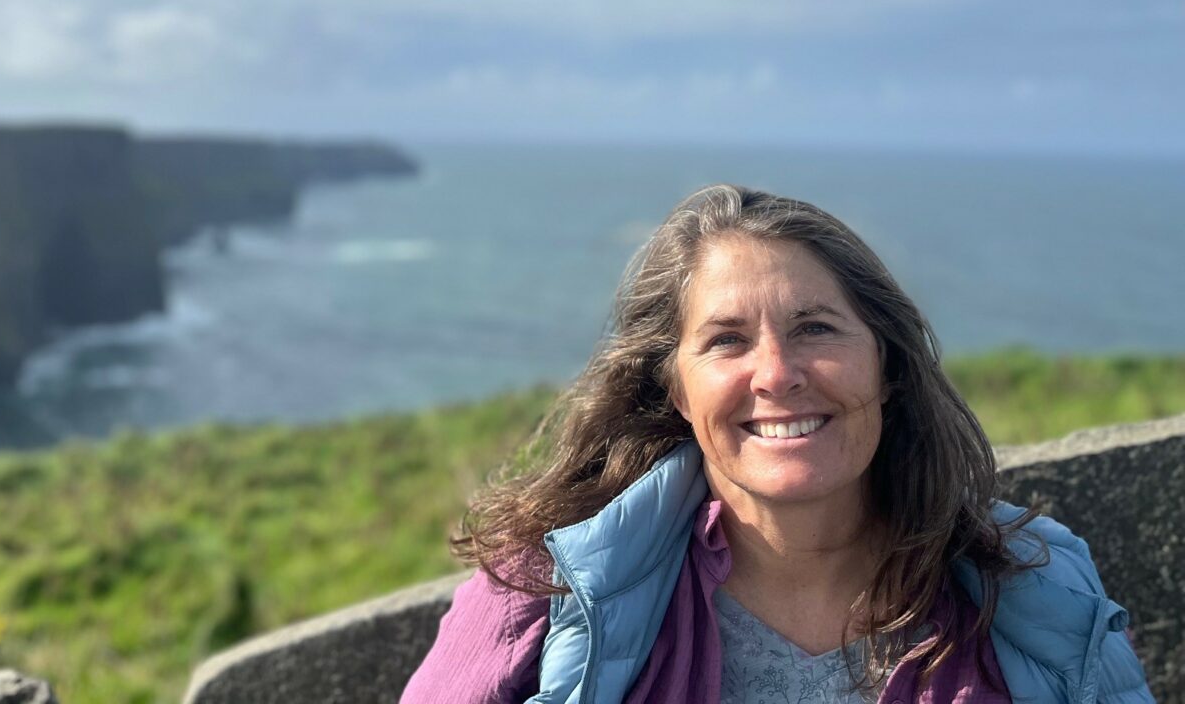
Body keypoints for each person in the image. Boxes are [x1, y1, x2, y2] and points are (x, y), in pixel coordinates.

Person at [402, 184, 1153, 704]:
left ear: (887, 365)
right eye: (727, 340)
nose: (777, 374)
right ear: (676, 389)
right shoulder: (542, 593)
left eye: (815, 328)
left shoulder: (1037, 586)